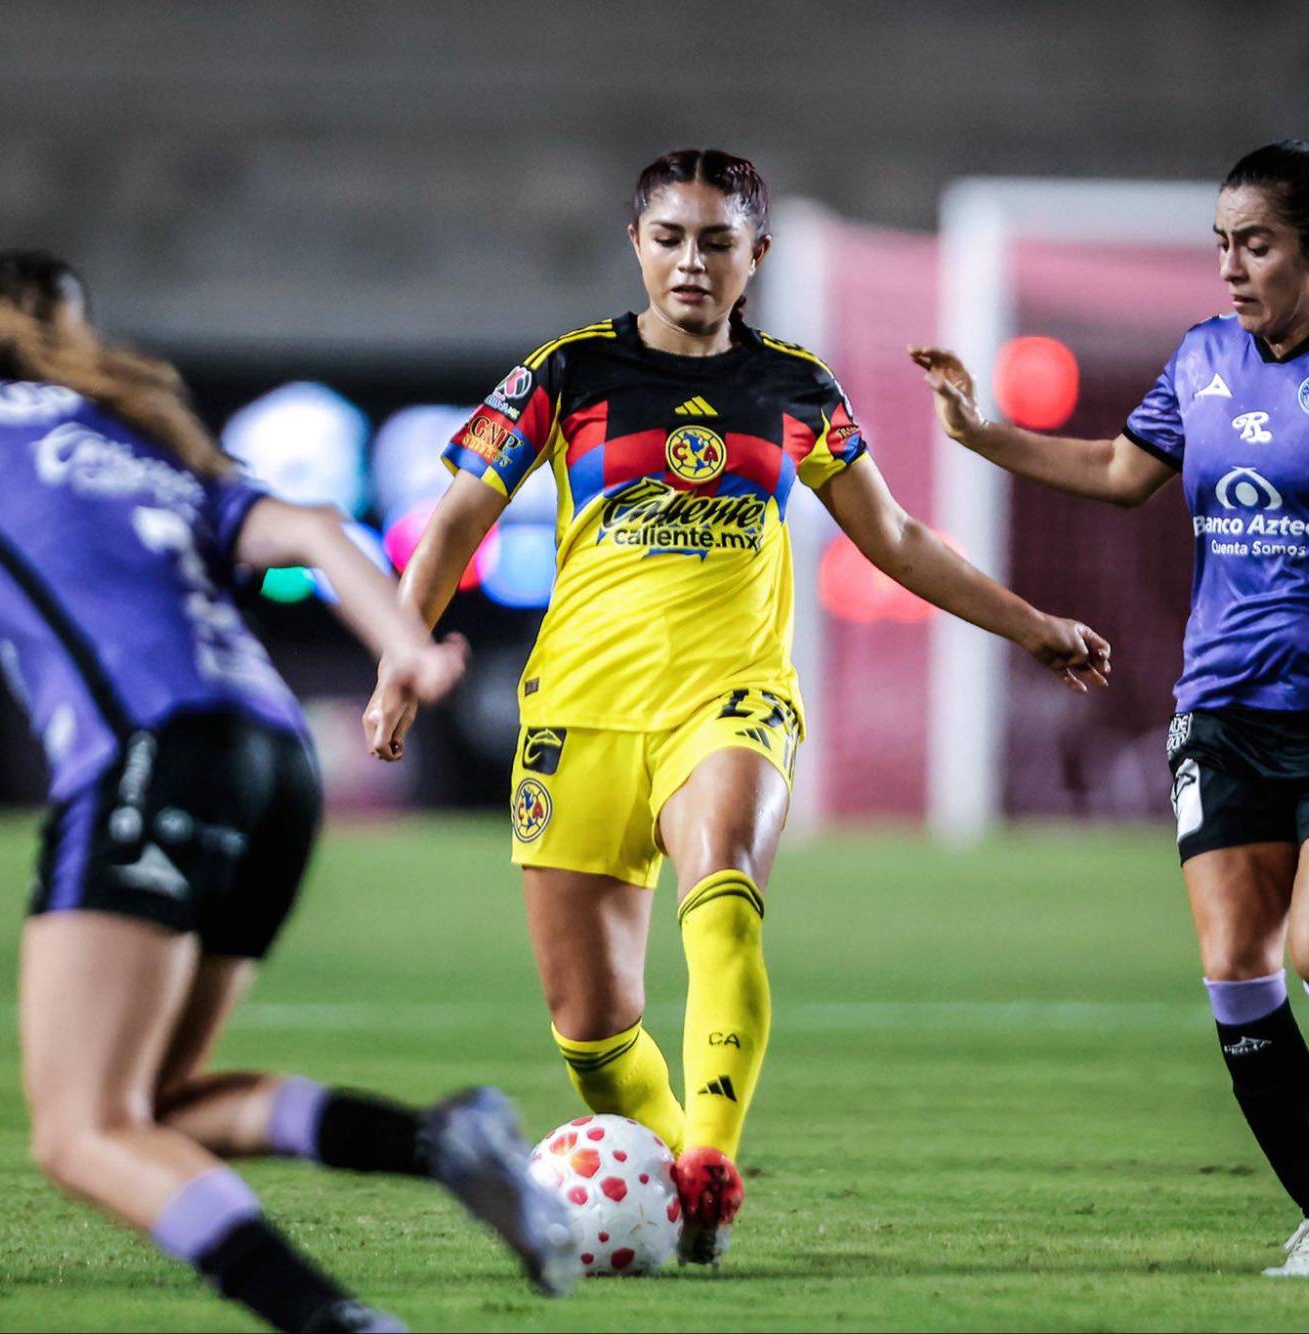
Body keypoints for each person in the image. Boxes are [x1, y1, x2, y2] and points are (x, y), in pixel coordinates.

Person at [0, 251, 574, 1333]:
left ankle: (327, 1316)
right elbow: (311, 529)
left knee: (79, 1131)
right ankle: (436, 1141)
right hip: (275, 762)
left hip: (151, 757)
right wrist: (406, 651)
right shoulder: (149, 437)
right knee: (150, 1107)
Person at [361, 149, 1112, 1267]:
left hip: (730, 696)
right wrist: (394, 655)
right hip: (578, 717)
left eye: (717, 240)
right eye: (669, 236)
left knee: (723, 890)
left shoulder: (795, 387)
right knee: (590, 1030)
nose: (691, 261)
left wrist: (1027, 622)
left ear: (754, 255)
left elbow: (894, 539)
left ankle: (708, 1153)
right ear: (635, 243)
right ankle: (681, 1196)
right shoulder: (566, 373)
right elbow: (458, 517)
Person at [910, 134, 1309, 1277]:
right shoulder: (1201, 358)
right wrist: (977, 432)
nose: (1230, 269)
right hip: (1221, 707)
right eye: (1219, 245)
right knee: (1235, 970)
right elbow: (1117, 470)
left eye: (1254, 244)